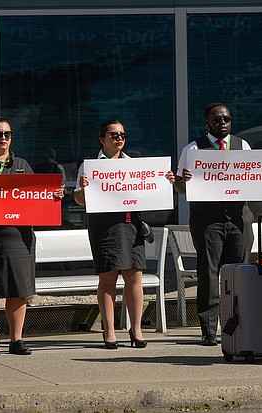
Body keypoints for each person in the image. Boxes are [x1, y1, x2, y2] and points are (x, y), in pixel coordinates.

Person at [173, 102, 262, 346]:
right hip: (207, 218)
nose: (222, 123)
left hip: (238, 216)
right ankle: (209, 329)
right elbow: (178, 187)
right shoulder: (192, 149)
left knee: (239, 272)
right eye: (217, 120)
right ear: (207, 122)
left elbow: (253, 175)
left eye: (226, 119)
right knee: (209, 273)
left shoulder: (242, 145)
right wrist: (186, 181)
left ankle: (238, 324)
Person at [0, 117, 64, 356]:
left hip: (19, 238)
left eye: (7, 134)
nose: (3, 138)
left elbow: (37, 198)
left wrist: (54, 195)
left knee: (18, 289)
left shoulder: (23, 165)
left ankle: (17, 339)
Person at [74, 120, 174, 349]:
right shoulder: (90, 166)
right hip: (104, 226)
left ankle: (136, 329)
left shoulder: (133, 164)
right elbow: (79, 200)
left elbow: (151, 190)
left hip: (131, 224)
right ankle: (109, 330)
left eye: (123, 134)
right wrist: (85, 188)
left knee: (134, 275)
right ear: (102, 139)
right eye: (114, 135)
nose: (119, 138)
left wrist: (164, 181)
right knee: (108, 277)